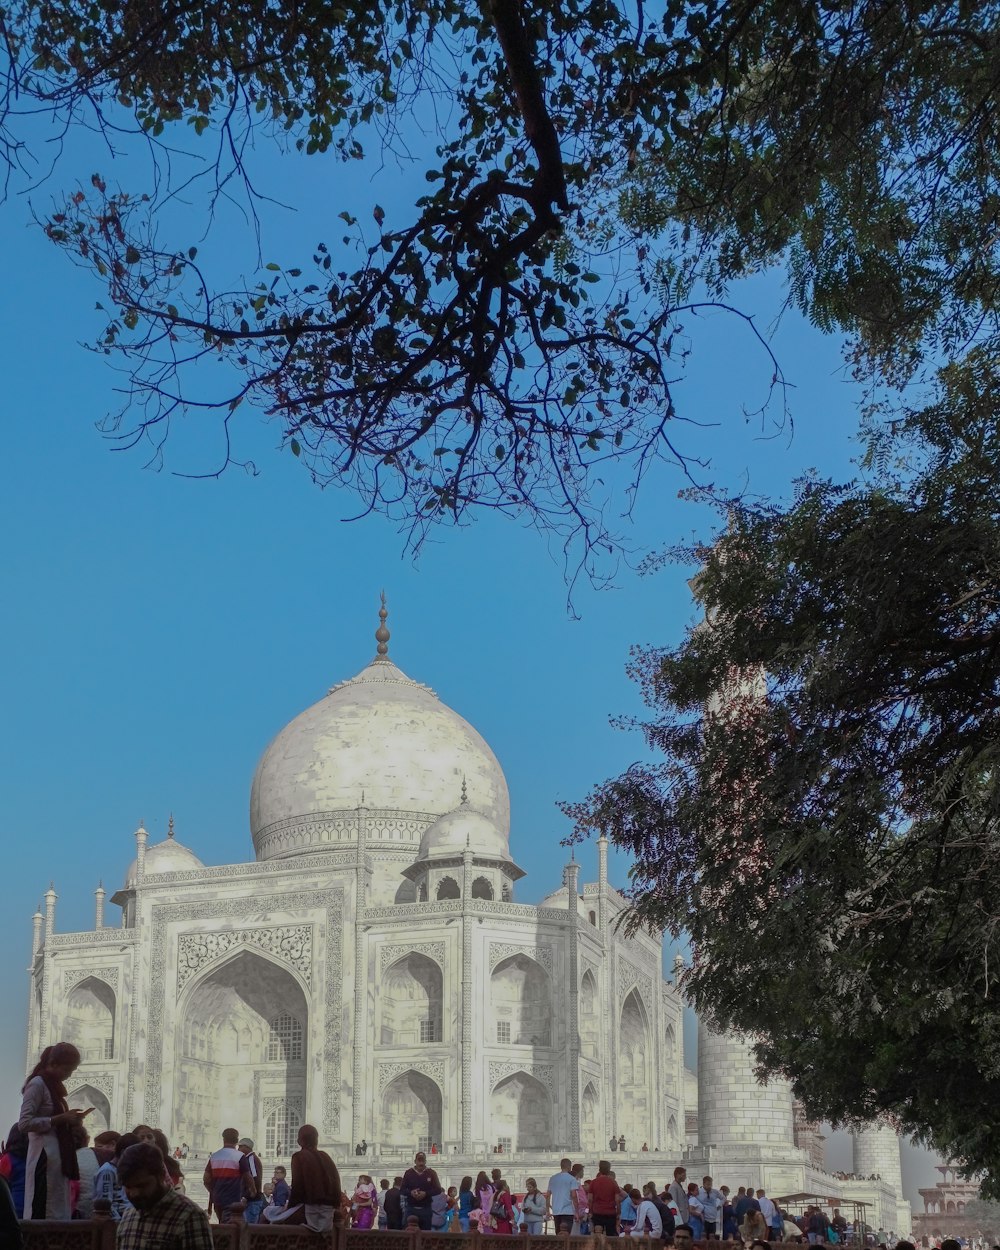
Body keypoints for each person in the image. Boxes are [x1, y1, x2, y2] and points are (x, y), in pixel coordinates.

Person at [19, 1042, 89, 1220]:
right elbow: (24, 1123)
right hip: (43, 1156)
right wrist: (59, 1119)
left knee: (58, 1207)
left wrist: (71, 1121)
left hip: (57, 1156)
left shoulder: (54, 1087)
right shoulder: (38, 1084)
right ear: (53, 1064)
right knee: (42, 1207)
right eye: (67, 1070)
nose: (68, 1075)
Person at [116, 1142, 213, 1250]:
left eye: (142, 1186)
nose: (134, 1193)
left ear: (161, 1175)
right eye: (128, 1187)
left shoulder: (190, 1216)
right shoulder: (129, 1215)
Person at [262, 1123, 342, 1232]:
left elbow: (298, 1189)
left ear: (299, 1141)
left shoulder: (299, 1156)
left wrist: (288, 1207)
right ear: (316, 1140)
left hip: (310, 1212)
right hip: (328, 1214)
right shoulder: (325, 1156)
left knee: (266, 1215)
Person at [202, 1127, 244, 1223]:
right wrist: (253, 1190)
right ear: (237, 1140)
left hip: (218, 1199)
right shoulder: (240, 1156)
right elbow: (247, 1177)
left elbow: (206, 1179)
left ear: (223, 1139)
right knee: (229, 1226)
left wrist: (213, 1190)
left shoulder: (214, 1156)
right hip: (233, 1199)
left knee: (222, 1222)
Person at [95, 1132, 137, 1220]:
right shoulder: (107, 1171)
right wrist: (119, 1222)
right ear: (124, 1152)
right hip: (118, 1220)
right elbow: (105, 1205)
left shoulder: (126, 1171)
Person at [400, 1150, 442, 1231]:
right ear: (415, 1161)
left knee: (425, 1234)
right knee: (409, 1232)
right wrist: (411, 1193)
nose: (421, 1163)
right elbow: (402, 1190)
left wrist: (426, 1193)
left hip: (425, 1208)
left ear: (425, 1161)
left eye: (422, 1161)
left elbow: (438, 1190)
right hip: (411, 1208)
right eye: (419, 1161)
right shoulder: (409, 1173)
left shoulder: (431, 1173)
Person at [546, 1157, 583, 1235]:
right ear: (569, 1167)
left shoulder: (553, 1178)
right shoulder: (571, 1179)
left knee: (558, 1233)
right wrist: (576, 1211)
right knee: (566, 1234)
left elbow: (548, 1195)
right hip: (568, 1211)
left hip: (556, 1211)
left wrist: (547, 1210)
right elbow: (574, 1196)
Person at [589, 1160, 624, 1237]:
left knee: (597, 1235)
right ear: (609, 1170)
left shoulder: (593, 1182)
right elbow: (617, 1200)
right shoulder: (613, 1182)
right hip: (610, 1213)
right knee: (611, 1235)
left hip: (597, 1212)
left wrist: (590, 1211)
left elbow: (590, 1199)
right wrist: (618, 1212)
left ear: (599, 1169)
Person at [239, 1138, 265, 1224]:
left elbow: (255, 1178)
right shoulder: (250, 1159)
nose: (238, 1149)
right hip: (251, 1199)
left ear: (247, 1147)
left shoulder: (251, 1159)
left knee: (249, 1227)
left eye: (240, 1146)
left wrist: (247, 1196)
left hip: (252, 1201)